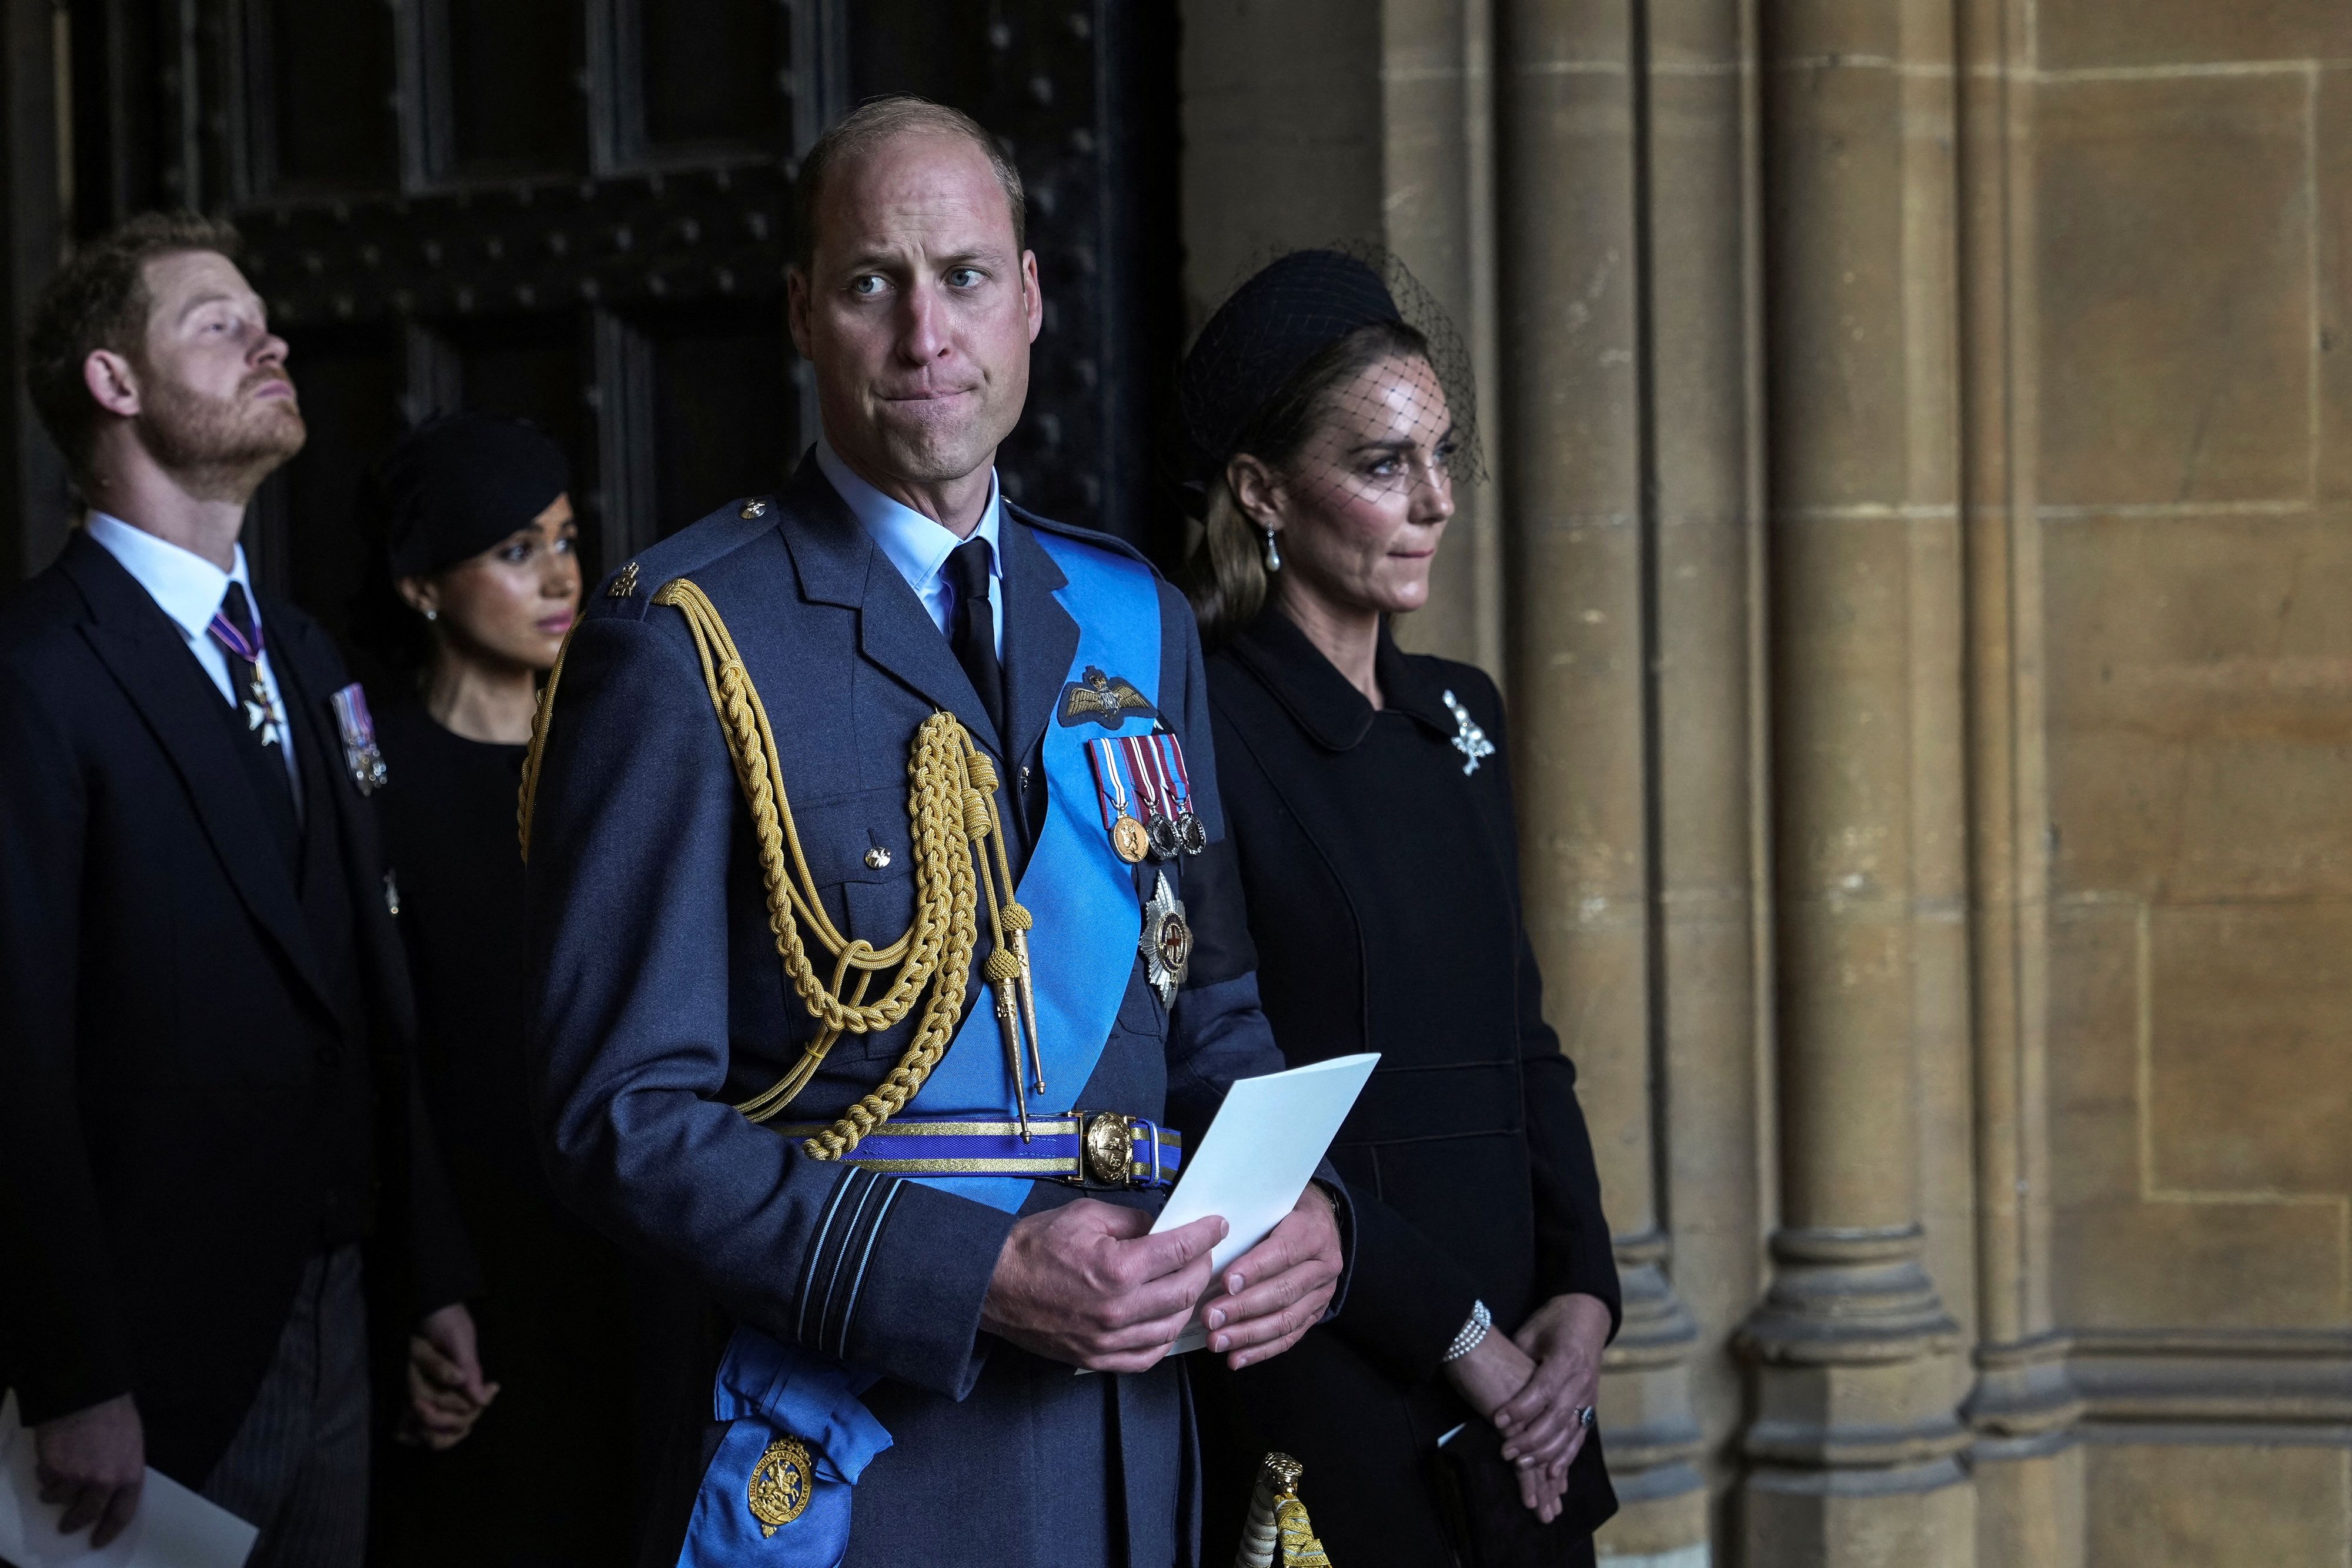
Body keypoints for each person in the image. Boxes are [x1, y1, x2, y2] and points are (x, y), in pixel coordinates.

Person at [520, 96, 1349, 1566]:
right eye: (869, 284)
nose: (925, 333)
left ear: (1028, 300)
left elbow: (1209, 1000)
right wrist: (969, 1275)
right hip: (865, 1460)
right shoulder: (687, 639)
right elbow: (620, 1116)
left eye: (964, 276)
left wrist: (1307, 1212)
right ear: (800, 314)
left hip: (1124, 1442)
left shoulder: (1131, 617)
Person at [0, 212, 489, 1566]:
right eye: (217, 322)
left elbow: (369, 990)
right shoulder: (36, 673)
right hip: (149, 1365)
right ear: (114, 383)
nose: (270, 338)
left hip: (341, 1312)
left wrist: (427, 1274)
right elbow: (15, 1049)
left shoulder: (306, 650)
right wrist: (71, 1370)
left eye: (262, 315)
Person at [1176, 248, 1623, 1566]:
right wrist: (1458, 1335)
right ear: (1261, 491)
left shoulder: (1459, 717)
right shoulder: (1194, 722)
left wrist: (1582, 1294)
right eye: (1381, 465)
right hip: (1331, 1353)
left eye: (1440, 454)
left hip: (1522, 1373)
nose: (1433, 500)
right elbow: (1215, 1090)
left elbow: (1523, 1038)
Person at [358, 414, 648, 1567]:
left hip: (625, 1244)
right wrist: (419, 1289)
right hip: (460, 1260)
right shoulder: (367, 770)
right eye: (516, 549)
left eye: (567, 538)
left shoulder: (621, 742)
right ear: (423, 583)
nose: (562, 574)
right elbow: (381, 1048)